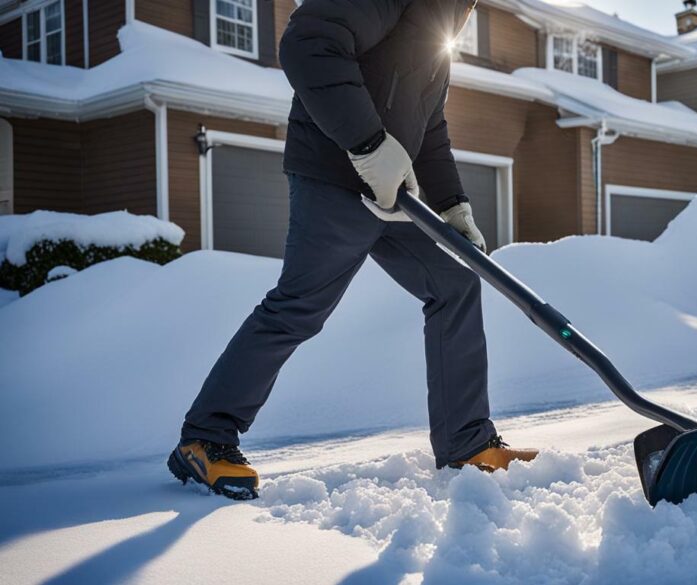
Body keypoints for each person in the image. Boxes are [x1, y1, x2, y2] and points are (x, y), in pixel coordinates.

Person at [167, 0, 537, 500]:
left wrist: (453, 204)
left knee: (454, 283)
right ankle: (205, 438)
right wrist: (367, 145)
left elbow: (427, 124)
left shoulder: (449, 13)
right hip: (335, 175)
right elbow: (307, 44)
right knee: (300, 306)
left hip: (391, 193)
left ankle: (466, 444)